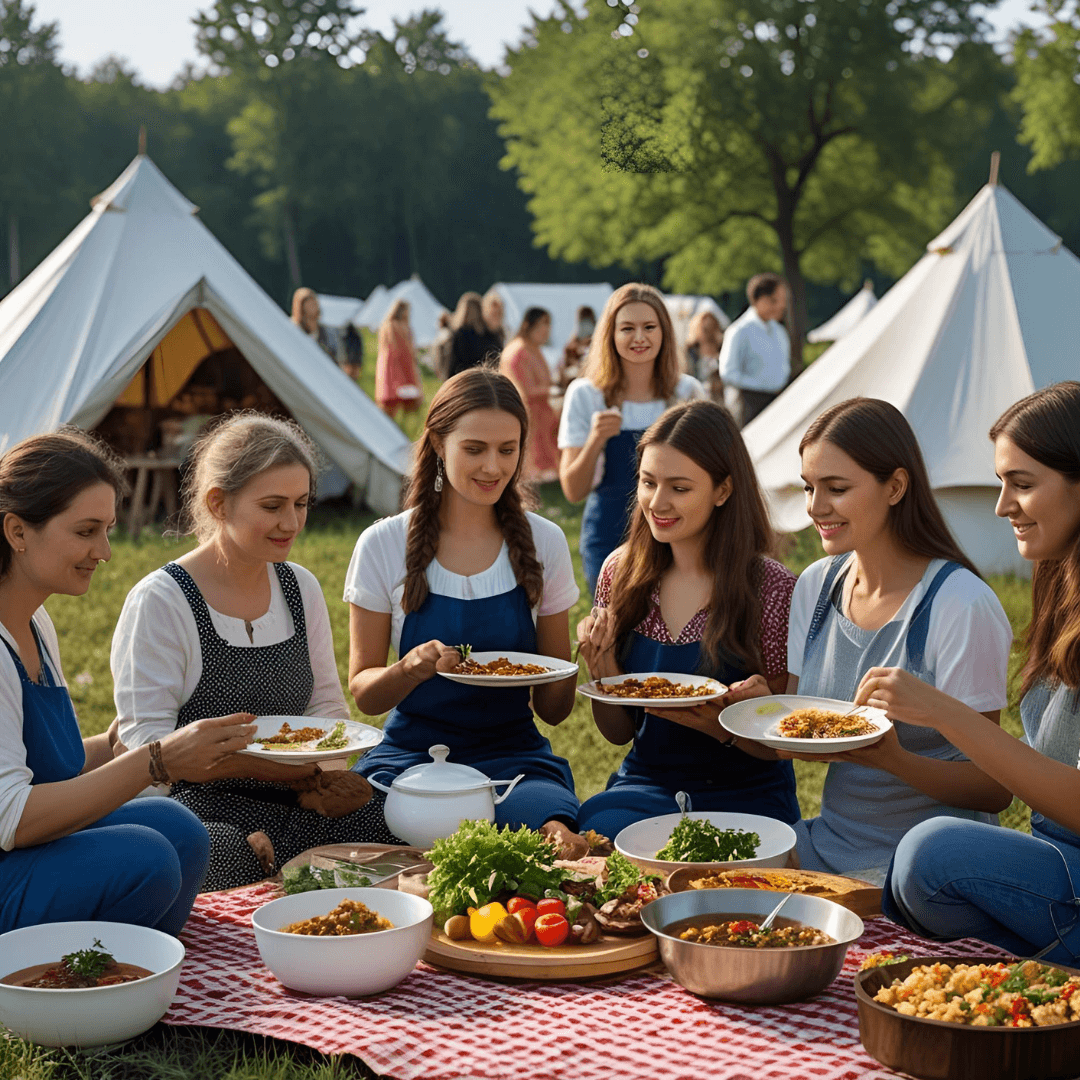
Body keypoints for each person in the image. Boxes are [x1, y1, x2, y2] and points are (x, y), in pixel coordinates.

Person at [113, 414, 394, 892]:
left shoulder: (298, 586)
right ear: (218, 503)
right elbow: (147, 749)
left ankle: (301, 880)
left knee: (392, 826)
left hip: (298, 797)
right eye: (273, 506)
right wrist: (282, 772)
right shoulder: (162, 600)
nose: (292, 522)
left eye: (302, 503)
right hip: (198, 804)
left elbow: (326, 707)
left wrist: (321, 782)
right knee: (220, 855)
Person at [0, 430, 242, 935]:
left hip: (24, 852)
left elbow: (45, 764)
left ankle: (140, 977)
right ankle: (74, 987)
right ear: (17, 532)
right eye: (87, 531)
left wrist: (116, 744)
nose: (105, 551)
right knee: (146, 856)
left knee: (179, 831)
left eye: (106, 530)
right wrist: (156, 760)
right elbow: (15, 819)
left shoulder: (35, 624)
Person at [765, 399, 1013, 878]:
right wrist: (759, 710)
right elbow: (793, 734)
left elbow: (992, 787)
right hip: (828, 843)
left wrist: (893, 759)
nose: (815, 507)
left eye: (836, 488)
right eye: (808, 488)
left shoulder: (959, 603)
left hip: (929, 870)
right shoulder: (816, 586)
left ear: (896, 486)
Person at [876, 383, 1080, 964]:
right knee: (916, 877)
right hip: (1058, 865)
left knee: (931, 853)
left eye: (1022, 482)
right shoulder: (1060, 583)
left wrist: (944, 712)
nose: (1001, 504)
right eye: (1000, 482)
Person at [345, 368, 584, 851]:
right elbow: (365, 695)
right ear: (437, 443)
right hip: (409, 758)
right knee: (357, 829)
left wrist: (585, 657)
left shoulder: (545, 542)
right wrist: (409, 668)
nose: (493, 467)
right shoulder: (383, 544)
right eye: (474, 449)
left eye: (507, 450)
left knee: (547, 833)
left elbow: (554, 712)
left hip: (514, 760)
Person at [575, 401, 799, 838]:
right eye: (648, 482)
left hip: (746, 793)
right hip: (646, 786)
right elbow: (619, 734)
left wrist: (729, 729)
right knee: (601, 833)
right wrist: (601, 667)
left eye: (679, 488)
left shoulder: (772, 588)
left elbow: (781, 747)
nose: (657, 502)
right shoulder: (619, 573)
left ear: (722, 490)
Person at [558, 283, 704, 595]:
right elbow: (572, 490)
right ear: (610, 334)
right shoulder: (585, 394)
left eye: (649, 327)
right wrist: (596, 439)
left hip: (676, 534)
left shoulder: (687, 393)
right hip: (608, 535)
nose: (639, 337)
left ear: (664, 332)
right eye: (627, 328)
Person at [719, 273, 790, 428]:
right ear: (760, 300)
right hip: (748, 404)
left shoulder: (779, 332)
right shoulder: (739, 331)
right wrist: (762, 386)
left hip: (778, 402)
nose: (781, 306)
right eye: (775, 300)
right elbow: (728, 373)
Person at [499, 307, 560, 483]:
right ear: (528, 325)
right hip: (527, 414)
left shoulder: (533, 348)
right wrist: (552, 391)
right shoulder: (518, 352)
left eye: (549, 324)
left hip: (542, 411)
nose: (547, 330)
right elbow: (524, 391)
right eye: (543, 324)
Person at [375, 299, 423, 419]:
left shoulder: (386, 326)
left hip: (386, 368)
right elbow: (404, 352)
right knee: (396, 404)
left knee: (387, 405)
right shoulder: (399, 327)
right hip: (398, 369)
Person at [448, 292, 502, 378]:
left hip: (463, 378)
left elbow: (452, 363)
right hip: (486, 377)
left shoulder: (457, 334)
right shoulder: (488, 333)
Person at [685, 309, 724, 401]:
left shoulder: (722, 348)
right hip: (696, 395)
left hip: (718, 396)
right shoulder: (690, 350)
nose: (707, 331)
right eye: (704, 328)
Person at [290, 287, 336, 362]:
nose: (313, 305)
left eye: (314, 301)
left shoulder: (325, 331)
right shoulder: (293, 328)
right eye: (308, 302)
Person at [557, 305, 596, 390]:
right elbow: (562, 373)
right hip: (572, 388)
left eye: (588, 321)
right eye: (583, 321)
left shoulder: (598, 345)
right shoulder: (571, 347)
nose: (586, 326)